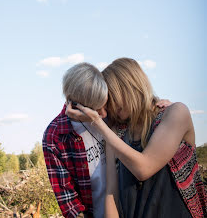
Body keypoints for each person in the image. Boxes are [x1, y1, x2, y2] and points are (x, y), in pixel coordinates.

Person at [66, 58, 207, 218]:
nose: (108, 107)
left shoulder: (175, 113)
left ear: (129, 87)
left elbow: (143, 168)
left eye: (111, 97)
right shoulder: (116, 132)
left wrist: (97, 122)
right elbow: (111, 194)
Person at [43, 62, 171, 218]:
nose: (103, 113)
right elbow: (69, 201)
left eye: (106, 104)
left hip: (130, 209)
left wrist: (159, 105)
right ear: (74, 103)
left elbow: (139, 110)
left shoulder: (113, 118)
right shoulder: (55, 136)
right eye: (96, 108)